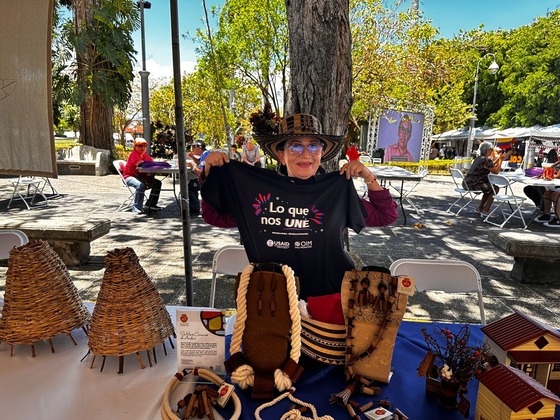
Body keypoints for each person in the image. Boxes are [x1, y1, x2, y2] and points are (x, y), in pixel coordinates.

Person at [200, 113, 398, 300]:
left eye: (313, 146)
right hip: (275, 299)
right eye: (295, 146)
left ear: (321, 153)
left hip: (330, 298)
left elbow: (385, 215)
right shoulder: (256, 193)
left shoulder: (334, 191)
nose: (306, 154)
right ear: (281, 155)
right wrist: (210, 174)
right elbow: (214, 217)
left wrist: (369, 178)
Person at [462, 141, 504, 216]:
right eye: (492, 150)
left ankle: (480, 208)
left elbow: (490, 165)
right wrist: (501, 159)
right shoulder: (486, 160)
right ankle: (486, 210)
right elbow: (496, 171)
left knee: (488, 188)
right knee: (495, 188)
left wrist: (498, 159)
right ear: (488, 150)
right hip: (474, 184)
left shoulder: (478, 158)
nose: (492, 152)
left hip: (466, 182)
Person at [123, 138, 162, 214]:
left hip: (141, 177)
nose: (143, 148)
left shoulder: (144, 155)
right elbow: (141, 163)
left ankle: (151, 204)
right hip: (129, 177)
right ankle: (137, 207)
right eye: (140, 146)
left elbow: (151, 162)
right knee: (140, 185)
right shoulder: (134, 155)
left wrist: (160, 162)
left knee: (157, 183)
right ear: (135, 147)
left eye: (145, 146)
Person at [186, 140, 210, 216]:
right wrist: (192, 157)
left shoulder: (205, 155)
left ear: (199, 148)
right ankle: (195, 208)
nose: (192, 149)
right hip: (212, 179)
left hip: (209, 182)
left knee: (191, 185)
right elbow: (199, 162)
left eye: (193, 147)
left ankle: (194, 210)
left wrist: (193, 167)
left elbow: (202, 173)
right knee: (193, 183)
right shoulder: (206, 154)